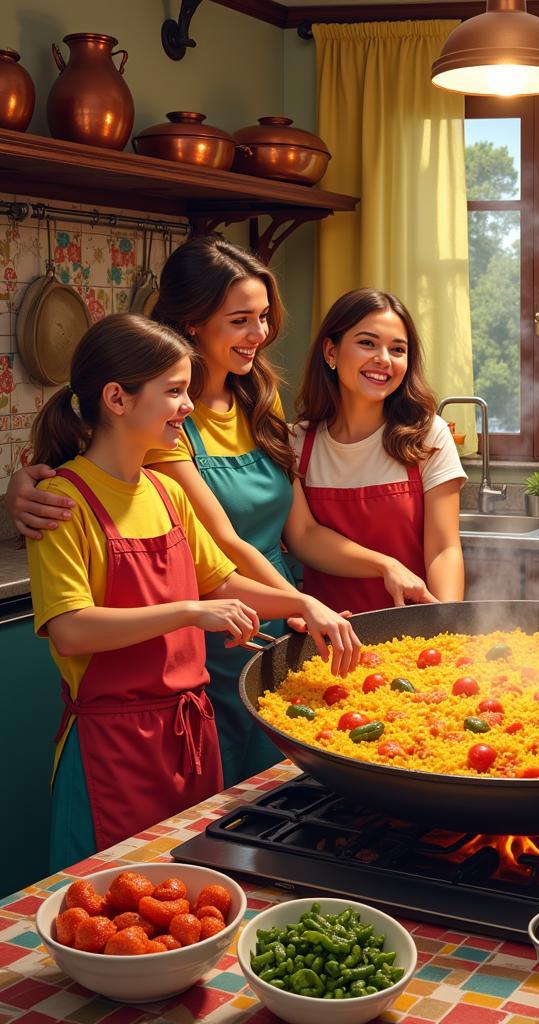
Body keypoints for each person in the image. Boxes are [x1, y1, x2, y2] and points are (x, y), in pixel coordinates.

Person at [6, 239, 431, 787]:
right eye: (240, 320)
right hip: (205, 636)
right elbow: (225, 544)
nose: (261, 335)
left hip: (259, 613)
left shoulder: (258, 399)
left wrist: (362, 575)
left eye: (263, 317)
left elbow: (296, 530)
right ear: (191, 325)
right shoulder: (162, 425)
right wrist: (299, 604)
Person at [27, 314, 357, 869]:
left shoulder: (164, 491)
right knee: (110, 906)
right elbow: (71, 628)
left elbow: (223, 581)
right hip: (113, 750)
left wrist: (304, 604)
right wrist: (189, 612)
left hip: (189, 735)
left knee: (192, 895)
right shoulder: (64, 502)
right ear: (117, 398)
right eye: (174, 392)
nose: (187, 406)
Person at [292, 288, 466, 612]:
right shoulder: (297, 443)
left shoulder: (429, 435)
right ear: (331, 352)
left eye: (397, 349)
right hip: (330, 641)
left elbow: (444, 548)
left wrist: (445, 621)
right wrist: (386, 565)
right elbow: (303, 536)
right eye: (367, 343)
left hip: (412, 636)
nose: (384, 360)